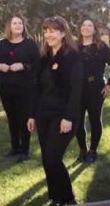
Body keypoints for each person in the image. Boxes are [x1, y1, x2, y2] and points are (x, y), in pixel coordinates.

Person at [27, 16, 83, 206]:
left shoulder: (73, 57)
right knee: (46, 159)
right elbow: (36, 90)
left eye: (52, 30)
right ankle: (56, 196)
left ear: (62, 33)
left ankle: (68, 199)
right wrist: (32, 115)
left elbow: (77, 91)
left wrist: (68, 117)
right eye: (46, 30)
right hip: (43, 115)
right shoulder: (44, 59)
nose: (47, 34)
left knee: (53, 158)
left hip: (64, 115)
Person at [0, 14, 40, 162]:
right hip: (6, 88)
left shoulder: (30, 44)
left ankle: (25, 150)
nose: (18, 25)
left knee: (24, 118)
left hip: (25, 88)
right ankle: (15, 147)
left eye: (20, 23)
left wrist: (23, 66)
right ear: (9, 27)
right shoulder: (1, 45)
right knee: (12, 118)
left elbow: (38, 65)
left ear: (23, 27)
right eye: (14, 23)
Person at [75, 19, 110, 164]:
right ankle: (83, 150)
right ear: (80, 29)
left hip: (95, 88)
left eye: (90, 25)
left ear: (94, 30)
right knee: (77, 122)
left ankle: (93, 151)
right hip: (77, 90)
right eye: (83, 25)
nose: (86, 28)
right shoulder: (74, 47)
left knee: (95, 119)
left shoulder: (101, 47)